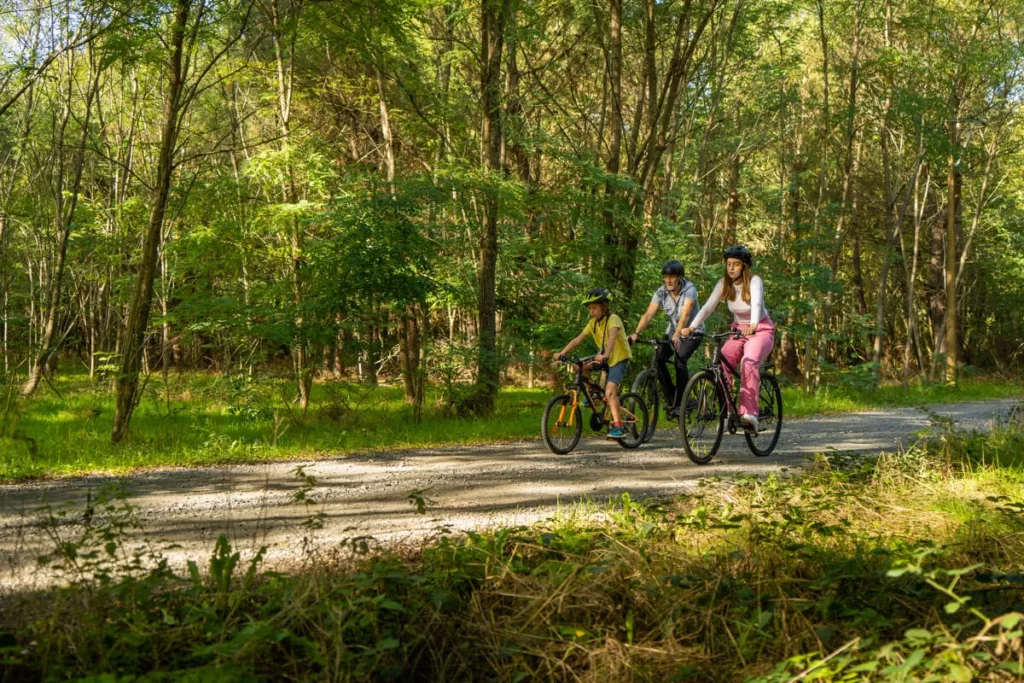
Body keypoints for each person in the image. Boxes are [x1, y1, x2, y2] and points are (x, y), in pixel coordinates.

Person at [679, 245, 774, 433]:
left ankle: (750, 414)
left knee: (748, 362)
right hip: (738, 331)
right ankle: (727, 413)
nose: (731, 268)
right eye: (729, 264)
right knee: (721, 365)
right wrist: (692, 326)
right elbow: (707, 307)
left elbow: (756, 303)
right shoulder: (724, 283)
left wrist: (753, 324)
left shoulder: (755, 282)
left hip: (761, 329)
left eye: (735, 264)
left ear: (744, 267)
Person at [628, 259, 704, 420]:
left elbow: (686, 315)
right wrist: (636, 333)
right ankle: (672, 398)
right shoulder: (661, 292)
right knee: (658, 359)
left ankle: (681, 401)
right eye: (666, 276)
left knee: (680, 360)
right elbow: (649, 314)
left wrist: (678, 335)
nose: (668, 280)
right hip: (672, 333)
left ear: (680, 277)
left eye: (672, 276)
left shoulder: (690, 289)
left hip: (692, 333)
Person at [553, 288, 632, 439]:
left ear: (604, 307)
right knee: (578, 365)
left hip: (619, 358)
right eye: (590, 308)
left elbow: (612, 339)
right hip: (604, 357)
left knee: (609, 392)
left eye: (595, 308)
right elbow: (578, 339)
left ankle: (618, 427)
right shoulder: (592, 323)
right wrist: (562, 353)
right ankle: (593, 391)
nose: (592, 311)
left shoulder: (613, 319)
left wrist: (605, 355)